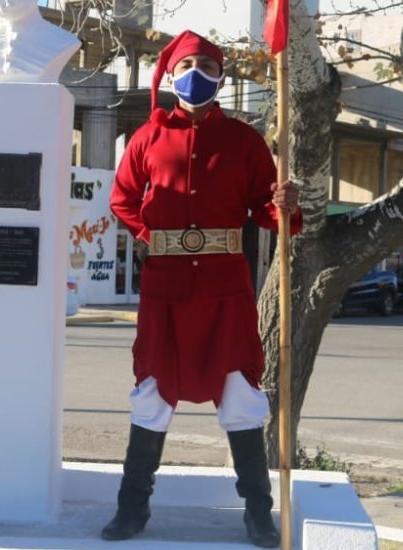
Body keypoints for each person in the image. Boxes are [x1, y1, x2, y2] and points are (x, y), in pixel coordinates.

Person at [102, 30, 302, 548]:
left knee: (239, 393)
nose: (198, 74)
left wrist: (284, 205)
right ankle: (131, 510)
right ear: (171, 73)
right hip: (164, 290)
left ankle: (259, 514)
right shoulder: (146, 138)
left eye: (209, 67)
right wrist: (151, 236)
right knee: (150, 395)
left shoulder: (245, 142)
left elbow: (266, 211)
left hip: (224, 292)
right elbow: (122, 198)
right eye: (188, 64)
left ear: (222, 77)